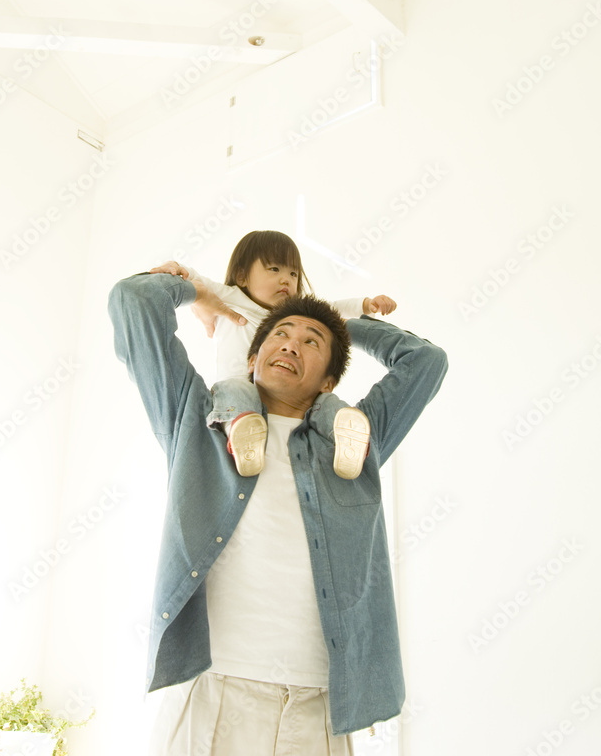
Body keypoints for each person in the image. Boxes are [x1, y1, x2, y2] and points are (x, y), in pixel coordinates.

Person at [108, 266, 448, 754]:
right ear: (252, 357)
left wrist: (337, 321)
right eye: (280, 334)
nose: (290, 344)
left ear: (330, 379)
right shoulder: (194, 420)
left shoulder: (358, 441)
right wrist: (194, 288)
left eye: (311, 342)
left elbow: (426, 361)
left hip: (319, 707)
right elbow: (133, 300)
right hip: (210, 690)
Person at [151, 230, 397, 480]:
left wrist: (365, 305)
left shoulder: (291, 316)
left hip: (282, 393)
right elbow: (199, 281)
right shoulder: (230, 297)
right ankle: (241, 437)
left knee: (325, 403)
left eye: (293, 273)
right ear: (242, 276)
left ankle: (347, 438)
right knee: (236, 396)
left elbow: (330, 310)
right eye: (274, 269)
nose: (286, 280)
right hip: (237, 384)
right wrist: (178, 268)